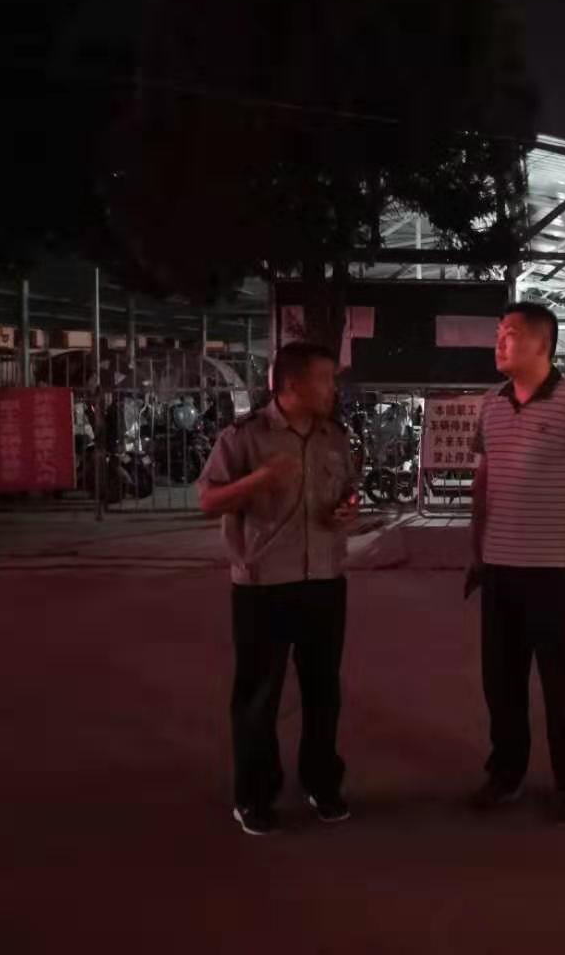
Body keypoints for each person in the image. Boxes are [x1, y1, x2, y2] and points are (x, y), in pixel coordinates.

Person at [465, 302, 565, 828]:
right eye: (498, 332)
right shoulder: (491, 404)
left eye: (510, 333)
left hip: (553, 570)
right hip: (499, 567)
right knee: (501, 683)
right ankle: (506, 773)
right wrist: (476, 549)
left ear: (542, 344)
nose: (499, 342)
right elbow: (484, 479)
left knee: (562, 685)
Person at [196, 341, 359, 836]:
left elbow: (349, 491)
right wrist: (260, 479)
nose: (332, 389)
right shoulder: (244, 438)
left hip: (325, 581)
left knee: (323, 691)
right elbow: (208, 500)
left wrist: (347, 508)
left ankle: (321, 783)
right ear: (292, 384)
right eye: (325, 379)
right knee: (258, 695)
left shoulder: (335, 437)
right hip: (263, 586)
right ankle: (254, 794)